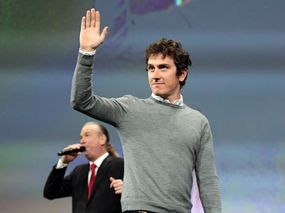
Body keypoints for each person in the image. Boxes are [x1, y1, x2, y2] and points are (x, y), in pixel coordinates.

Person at [71, 8, 221, 213]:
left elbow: (208, 182)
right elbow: (81, 101)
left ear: (182, 74)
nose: (155, 75)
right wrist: (86, 54)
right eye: (151, 68)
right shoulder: (130, 109)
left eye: (163, 67)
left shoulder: (198, 122)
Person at [43, 121, 124, 213]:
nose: (82, 141)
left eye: (87, 135)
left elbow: (141, 193)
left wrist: (127, 190)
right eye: (81, 137)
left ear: (102, 139)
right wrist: (63, 162)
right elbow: (50, 193)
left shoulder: (120, 165)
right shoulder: (79, 172)